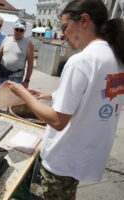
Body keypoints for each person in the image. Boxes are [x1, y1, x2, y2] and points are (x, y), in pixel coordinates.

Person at [7, 0, 124, 199]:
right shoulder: (115, 56)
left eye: (64, 27)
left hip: (62, 158)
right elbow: (95, 96)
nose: (62, 34)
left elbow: (57, 121)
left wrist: (23, 95)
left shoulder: (81, 60)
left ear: (84, 20)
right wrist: (54, 96)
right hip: (84, 154)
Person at [0, 19, 34, 88]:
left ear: (24, 31)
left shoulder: (28, 43)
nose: (18, 32)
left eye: (21, 30)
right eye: (17, 29)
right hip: (2, 76)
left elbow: (30, 64)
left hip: (17, 78)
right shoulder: (6, 39)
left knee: (13, 98)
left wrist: (26, 81)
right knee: (0, 98)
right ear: (13, 28)